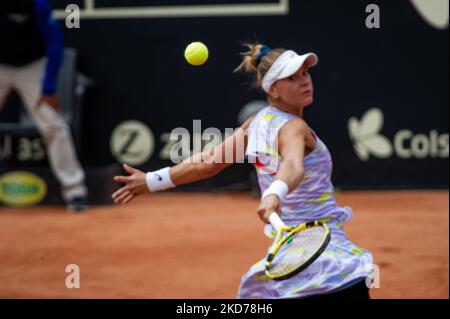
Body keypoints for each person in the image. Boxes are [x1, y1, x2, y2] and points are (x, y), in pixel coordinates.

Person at [111, 43, 374, 299]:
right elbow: (292, 165)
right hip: (329, 258)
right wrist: (275, 194)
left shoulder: (257, 123)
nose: (304, 81)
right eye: (292, 78)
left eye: (305, 73)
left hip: (290, 260)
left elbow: (209, 163)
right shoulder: (295, 128)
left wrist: (153, 180)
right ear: (273, 89)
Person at [0, 0, 88, 212]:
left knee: (53, 125)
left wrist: (48, 88)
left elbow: (54, 43)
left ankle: (75, 191)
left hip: (33, 67)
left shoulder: (38, 5)